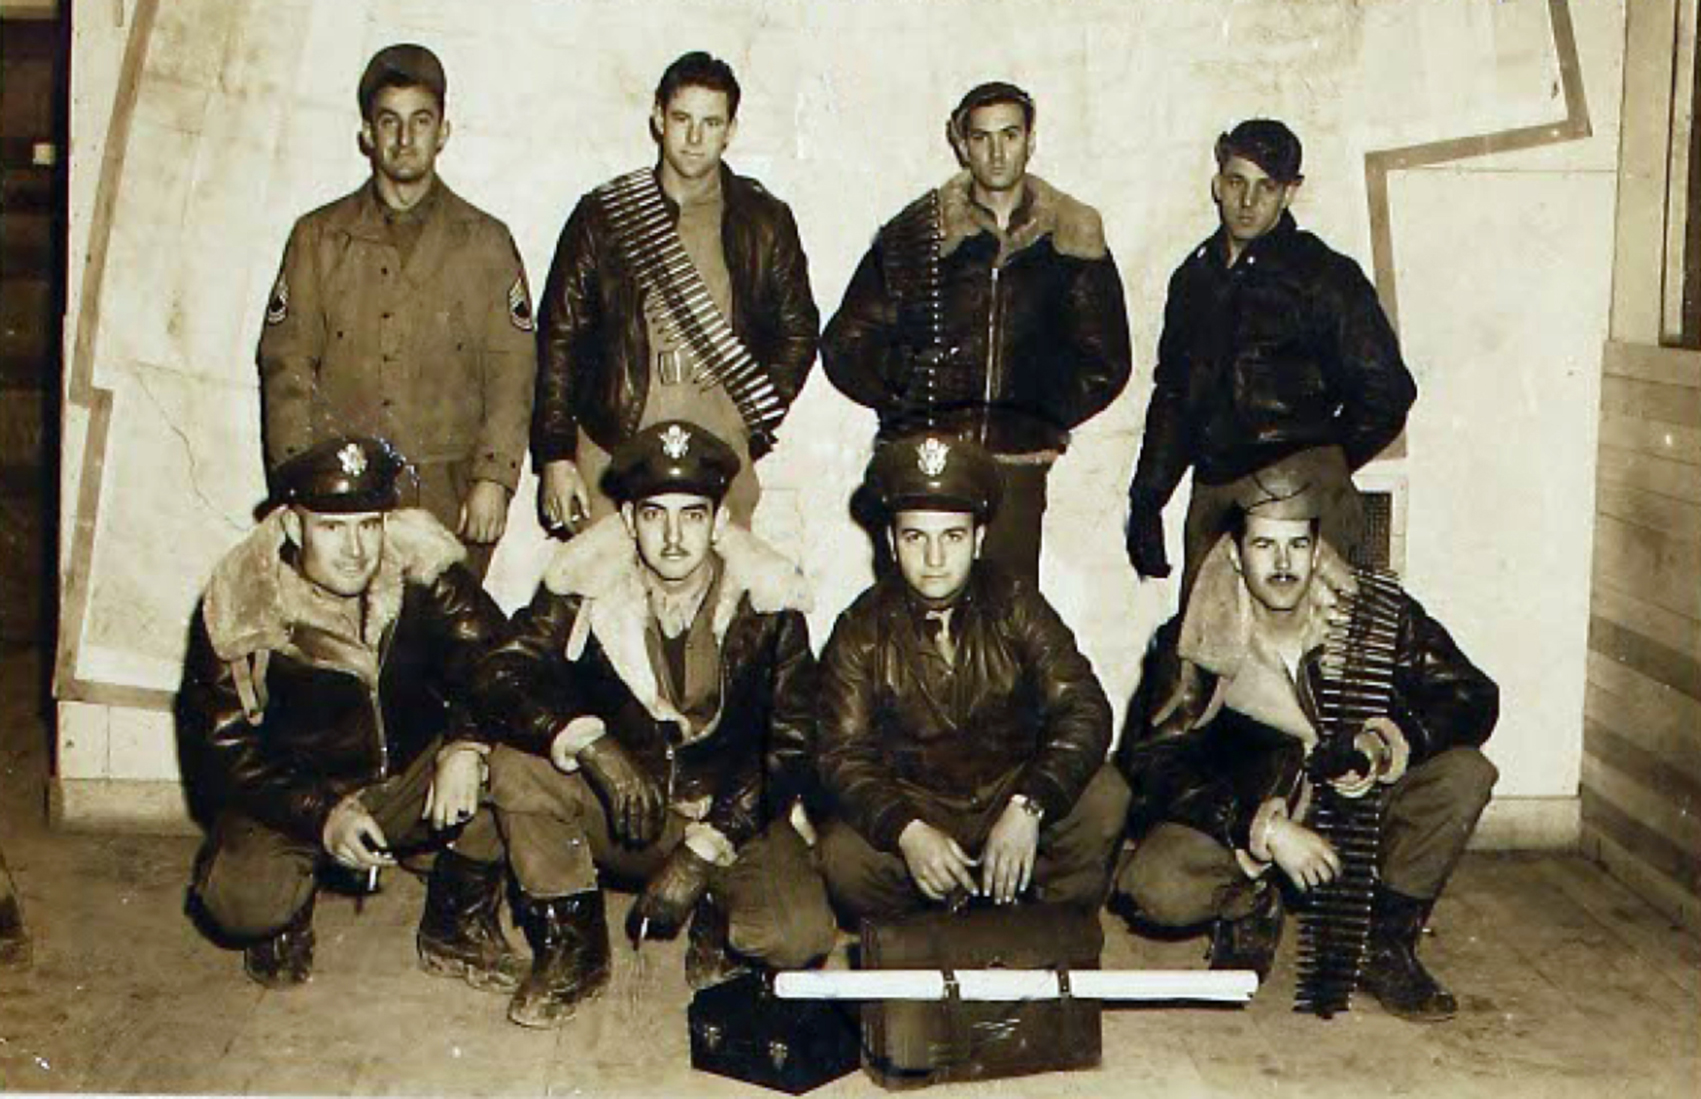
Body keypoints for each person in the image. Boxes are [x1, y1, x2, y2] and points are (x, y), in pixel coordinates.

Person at [475, 420, 834, 1028]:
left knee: (796, 935)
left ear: (719, 523)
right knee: (517, 767)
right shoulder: (583, 589)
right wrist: (587, 740)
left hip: (725, 811)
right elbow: (501, 671)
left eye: (691, 516)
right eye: (653, 515)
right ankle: (574, 944)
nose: (672, 538)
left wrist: (706, 847)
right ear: (628, 520)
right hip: (624, 809)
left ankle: (717, 917)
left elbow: (793, 745)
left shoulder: (770, 608)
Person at [1113, 457, 1499, 1021]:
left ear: (1318, 552)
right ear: (1236, 555)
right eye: (1264, 545)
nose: (1282, 564)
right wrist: (1259, 827)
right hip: (1254, 815)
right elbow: (1151, 761)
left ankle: (1384, 942)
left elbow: (1471, 693)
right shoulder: (1192, 639)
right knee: (1155, 886)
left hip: (1358, 812)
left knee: (1465, 773)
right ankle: (1249, 908)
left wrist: (1388, 742)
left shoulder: (1374, 615)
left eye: (1297, 545)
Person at [178, 436, 520, 992]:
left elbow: (501, 661)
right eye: (332, 528)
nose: (356, 550)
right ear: (294, 528)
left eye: (369, 525)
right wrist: (322, 814)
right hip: (300, 798)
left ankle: (455, 919)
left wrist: (467, 743)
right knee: (241, 900)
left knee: (519, 758)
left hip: (409, 780)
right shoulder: (244, 604)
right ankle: (289, 910)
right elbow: (223, 753)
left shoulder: (422, 570)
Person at [822, 81, 1132, 582]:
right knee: (920, 603)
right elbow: (846, 344)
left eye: (1010, 135)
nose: (997, 152)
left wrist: (1033, 411)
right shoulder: (917, 231)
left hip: (1017, 468)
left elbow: (1107, 360)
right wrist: (908, 384)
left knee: (1009, 607)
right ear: (962, 144)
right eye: (982, 137)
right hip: (929, 459)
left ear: (1031, 140)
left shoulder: (1072, 235)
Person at [815, 432, 1130, 922]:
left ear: (979, 539)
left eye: (953, 536)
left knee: (1104, 799)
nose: (935, 559)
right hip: (918, 801)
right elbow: (842, 754)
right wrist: (906, 830)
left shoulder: (1015, 603)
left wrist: (1029, 805)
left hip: (1011, 787)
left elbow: (1084, 708)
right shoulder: (860, 630)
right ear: (891, 543)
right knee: (845, 857)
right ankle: (925, 932)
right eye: (916, 537)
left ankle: (1047, 927)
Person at [258, 44, 536, 578]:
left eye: (420, 121)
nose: (405, 139)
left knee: (444, 628)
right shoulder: (319, 238)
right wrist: (298, 487)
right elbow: (286, 367)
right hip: (343, 493)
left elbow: (513, 370)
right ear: (367, 133)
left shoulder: (485, 243)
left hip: (448, 494)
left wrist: (494, 479)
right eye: (389, 121)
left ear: (443, 132)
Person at [1124, 118, 1417, 597]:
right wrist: (1147, 500)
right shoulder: (1194, 279)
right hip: (1214, 491)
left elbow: (1388, 391)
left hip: (1298, 497)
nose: (1247, 201)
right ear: (1217, 184)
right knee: (1206, 636)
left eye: (1267, 186)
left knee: (1306, 638)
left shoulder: (1324, 276)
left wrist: (1319, 465)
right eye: (1236, 182)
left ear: (1289, 193)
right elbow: (1175, 395)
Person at [532, 51, 819, 532]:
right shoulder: (603, 214)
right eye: (682, 118)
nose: (694, 138)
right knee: (604, 578)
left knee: (721, 577)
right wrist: (556, 454)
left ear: (730, 130)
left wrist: (748, 420)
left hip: (718, 444)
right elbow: (559, 337)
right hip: (613, 439)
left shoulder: (764, 219)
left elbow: (798, 331)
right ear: (658, 117)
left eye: (711, 123)